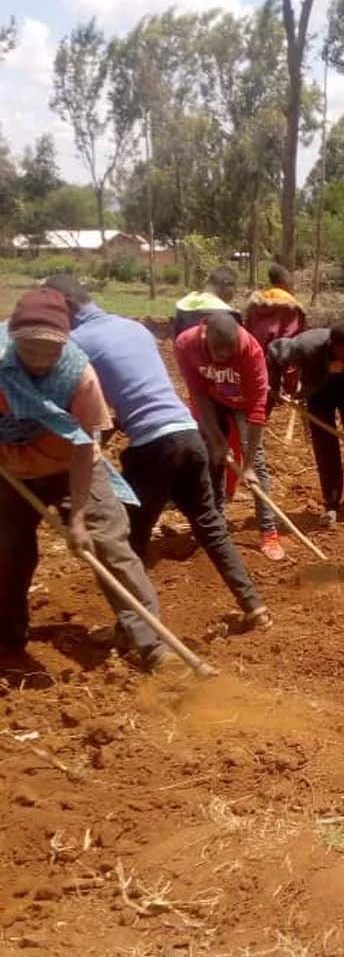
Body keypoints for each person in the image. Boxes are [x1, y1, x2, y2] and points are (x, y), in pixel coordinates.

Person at [46, 275, 270, 629]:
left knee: (127, 539)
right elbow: (137, 388)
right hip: (187, 435)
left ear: (65, 307)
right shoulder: (134, 329)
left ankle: (133, 629)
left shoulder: (76, 343)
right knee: (211, 526)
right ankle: (254, 606)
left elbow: (87, 407)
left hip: (153, 447)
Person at [0, 288, 171, 671]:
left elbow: (83, 446)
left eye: (51, 354)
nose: (41, 364)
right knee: (8, 554)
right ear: (14, 342)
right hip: (10, 469)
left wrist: (77, 518)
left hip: (71, 462)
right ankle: (8, 643)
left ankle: (152, 644)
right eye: (30, 353)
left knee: (109, 541)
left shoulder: (79, 373)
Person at [174, 312, 285, 560]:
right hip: (212, 401)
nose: (224, 357)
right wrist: (215, 437)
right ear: (206, 337)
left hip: (244, 404)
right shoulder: (186, 344)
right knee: (214, 459)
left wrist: (246, 465)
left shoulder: (251, 352)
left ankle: (268, 532)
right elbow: (198, 393)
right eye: (218, 352)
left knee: (257, 466)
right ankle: (217, 527)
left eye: (229, 352)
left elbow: (258, 409)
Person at [268, 321, 344, 526]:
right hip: (318, 394)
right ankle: (332, 505)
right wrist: (275, 387)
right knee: (326, 449)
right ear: (334, 345)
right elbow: (273, 352)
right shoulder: (306, 346)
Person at [245, 264, 307, 353]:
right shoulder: (291, 304)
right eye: (289, 278)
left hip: (256, 353)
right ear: (283, 280)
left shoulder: (256, 302)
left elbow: (248, 329)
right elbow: (294, 335)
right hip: (280, 356)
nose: (291, 282)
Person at [173, 264, 242, 340]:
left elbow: (177, 340)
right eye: (235, 287)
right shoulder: (227, 314)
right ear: (225, 284)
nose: (236, 291)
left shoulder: (183, 305)